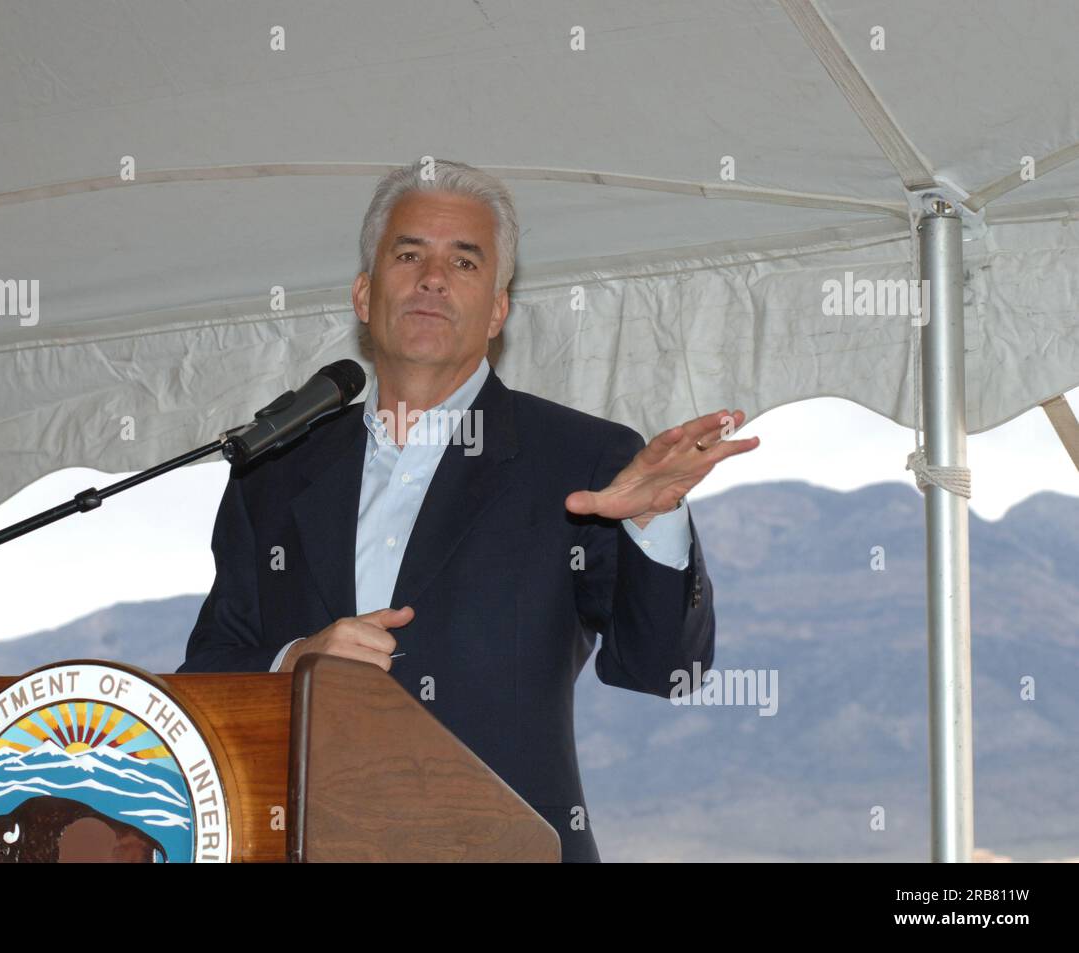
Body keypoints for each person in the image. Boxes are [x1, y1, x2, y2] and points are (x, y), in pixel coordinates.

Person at [178, 158, 759, 861]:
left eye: (464, 261)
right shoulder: (274, 472)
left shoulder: (580, 458)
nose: (432, 278)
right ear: (364, 294)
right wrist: (294, 660)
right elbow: (207, 674)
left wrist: (653, 521)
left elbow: (668, 670)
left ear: (498, 310)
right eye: (408, 254)